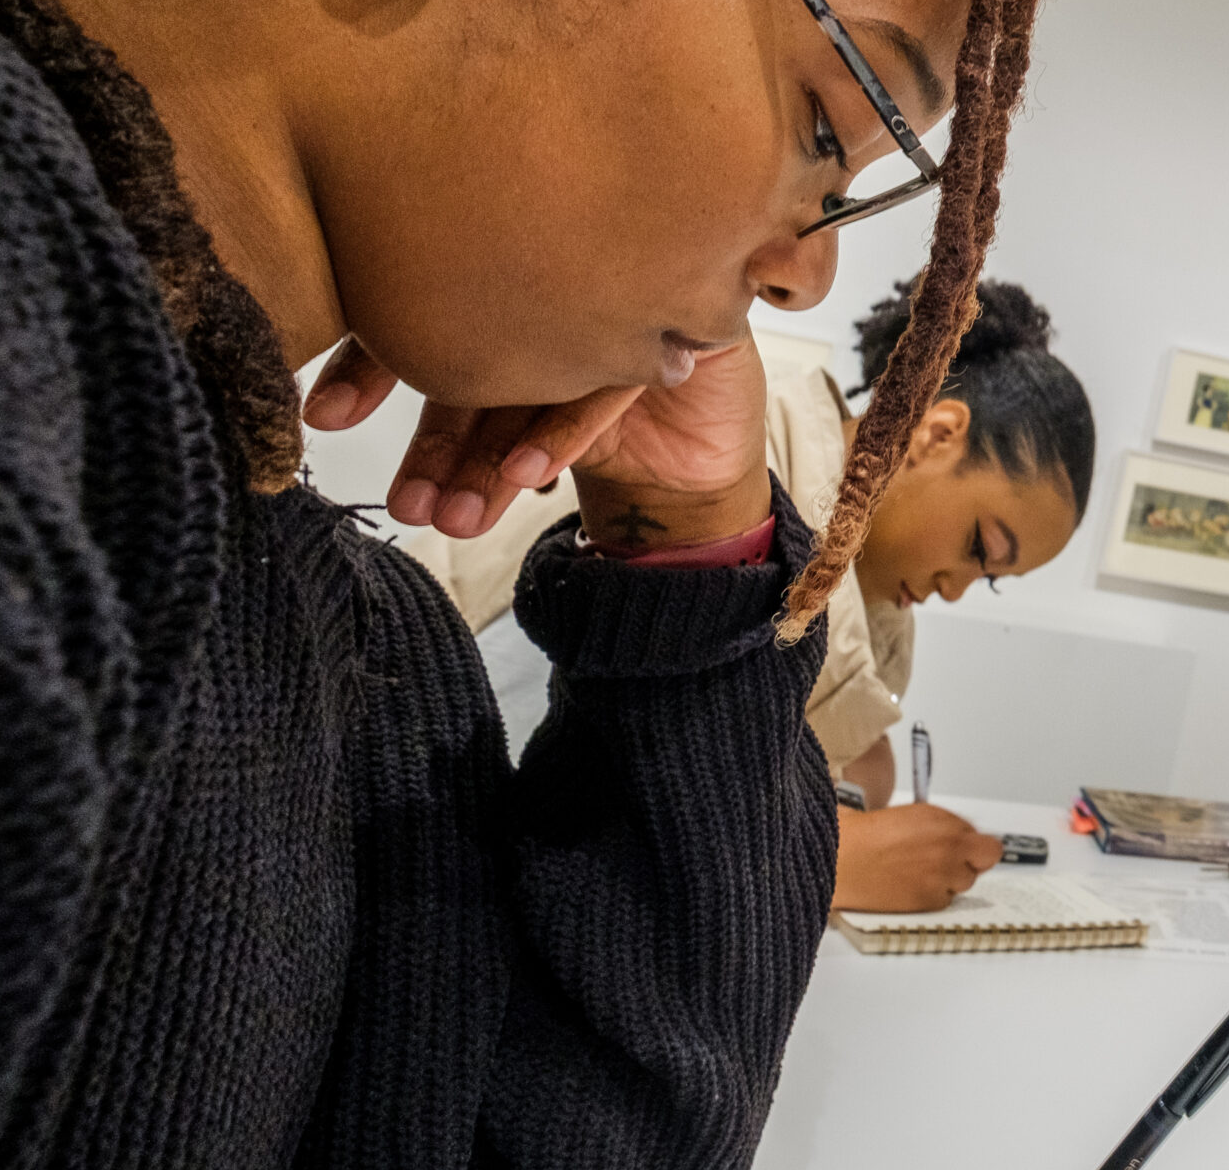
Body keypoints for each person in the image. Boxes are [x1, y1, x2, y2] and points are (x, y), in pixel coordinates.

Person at [0, 0, 1225, 1170]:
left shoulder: (315, 617)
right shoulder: (23, 354)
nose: (803, 266)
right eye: (820, 123)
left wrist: (696, 555)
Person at [419, 278, 1095, 912]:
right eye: (980, 547)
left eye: (990, 579)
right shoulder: (736, 469)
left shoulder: (868, 622)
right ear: (937, 433)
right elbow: (559, 805)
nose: (955, 590)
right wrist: (822, 861)